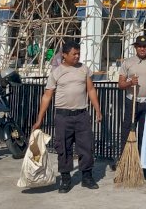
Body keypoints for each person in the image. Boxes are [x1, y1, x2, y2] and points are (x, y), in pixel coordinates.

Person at [32, 39, 103, 193]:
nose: (77, 57)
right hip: (63, 116)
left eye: (78, 54)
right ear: (64, 55)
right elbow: (47, 96)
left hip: (82, 114)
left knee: (86, 147)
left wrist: (97, 109)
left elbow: (91, 90)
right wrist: (39, 119)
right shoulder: (56, 72)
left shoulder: (84, 69)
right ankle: (65, 179)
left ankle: (87, 177)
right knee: (63, 147)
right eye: (74, 54)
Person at [117, 35, 146, 177]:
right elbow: (121, 84)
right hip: (132, 101)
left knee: (144, 134)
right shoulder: (128, 63)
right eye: (140, 46)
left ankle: (143, 166)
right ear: (135, 47)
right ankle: (124, 164)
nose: (142, 48)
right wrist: (130, 83)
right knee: (127, 133)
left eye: (145, 46)